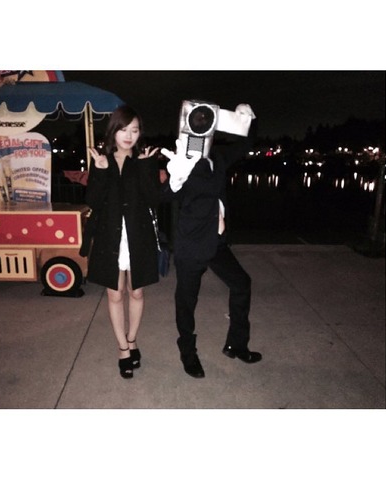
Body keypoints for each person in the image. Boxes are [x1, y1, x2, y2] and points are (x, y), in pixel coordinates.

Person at [161, 102, 262, 378]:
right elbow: (165, 196)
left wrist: (249, 117)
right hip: (192, 244)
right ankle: (188, 352)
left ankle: (236, 344)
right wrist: (175, 180)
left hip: (216, 242)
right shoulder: (182, 161)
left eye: (207, 127)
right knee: (186, 301)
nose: (202, 134)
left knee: (241, 284)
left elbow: (247, 142)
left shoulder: (219, 157)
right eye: (197, 127)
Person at [80, 105, 160, 379]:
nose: (128, 135)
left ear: (140, 133)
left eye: (134, 130)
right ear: (113, 131)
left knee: (136, 292)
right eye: (123, 129)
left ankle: (132, 338)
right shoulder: (102, 160)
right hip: (110, 236)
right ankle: (123, 348)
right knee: (115, 294)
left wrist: (148, 167)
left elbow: (154, 199)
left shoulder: (144, 160)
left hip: (138, 237)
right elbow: (92, 201)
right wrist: (101, 171)